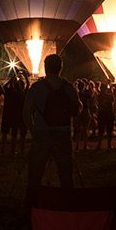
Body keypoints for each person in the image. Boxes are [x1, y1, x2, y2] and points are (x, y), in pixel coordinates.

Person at [22, 53, 81, 188]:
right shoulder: (69, 87)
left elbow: (26, 112)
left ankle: (33, 202)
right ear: (61, 68)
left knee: (35, 174)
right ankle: (67, 204)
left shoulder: (36, 88)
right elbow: (77, 110)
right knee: (65, 174)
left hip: (42, 133)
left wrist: (33, 130)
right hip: (63, 133)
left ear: (45, 67)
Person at [0, 73, 27, 156]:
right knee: (22, 135)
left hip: (12, 116)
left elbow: (4, 88)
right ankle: (22, 150)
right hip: (21, 116)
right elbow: (28, 85)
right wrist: (25, 76)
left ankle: (9, 150)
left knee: (13, 135)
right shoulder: (23, 94)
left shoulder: (10, 93)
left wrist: (12, 79)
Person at [95, 82, 115, 149]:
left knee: (101, 130)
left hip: (102, 114)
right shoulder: (108, 96)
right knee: (108, 130)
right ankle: (108, 145)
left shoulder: (99, 96)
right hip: (108, 114)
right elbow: (113, 100)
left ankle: (99, 145)